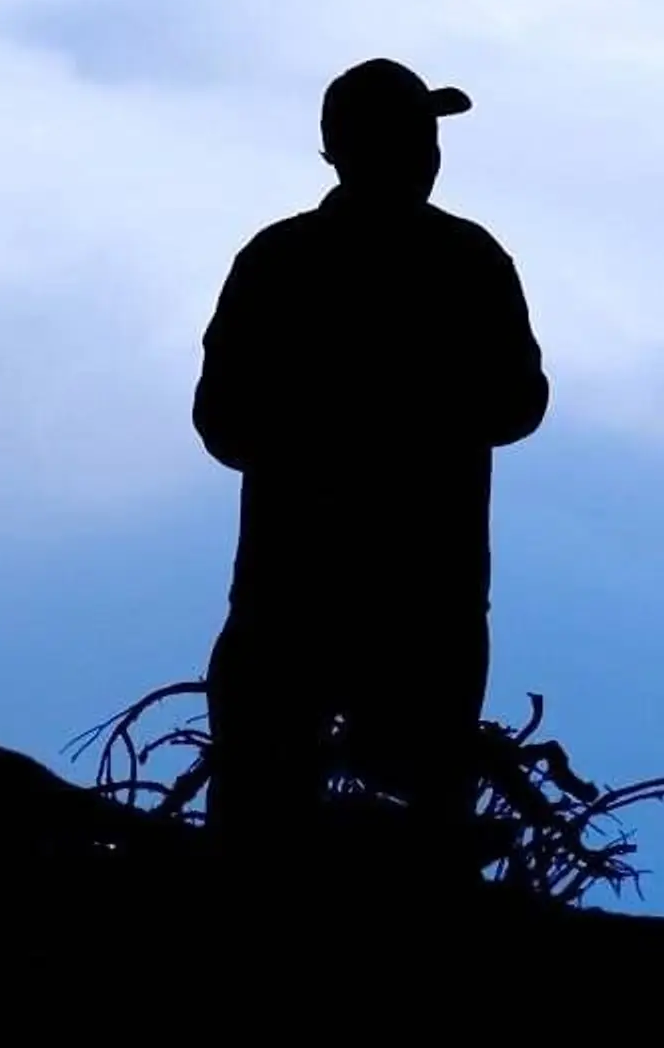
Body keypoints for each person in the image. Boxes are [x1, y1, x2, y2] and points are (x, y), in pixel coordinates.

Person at [190, 57, 549, 895]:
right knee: (405, 819)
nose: (427, 152)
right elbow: (519, 404)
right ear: (359, 148)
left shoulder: (280, 261)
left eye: (427, 136)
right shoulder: (465, 261)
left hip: (309, 591)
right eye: (415, 134)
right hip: (411, 596)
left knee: (263, 819)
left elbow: (223, 424)